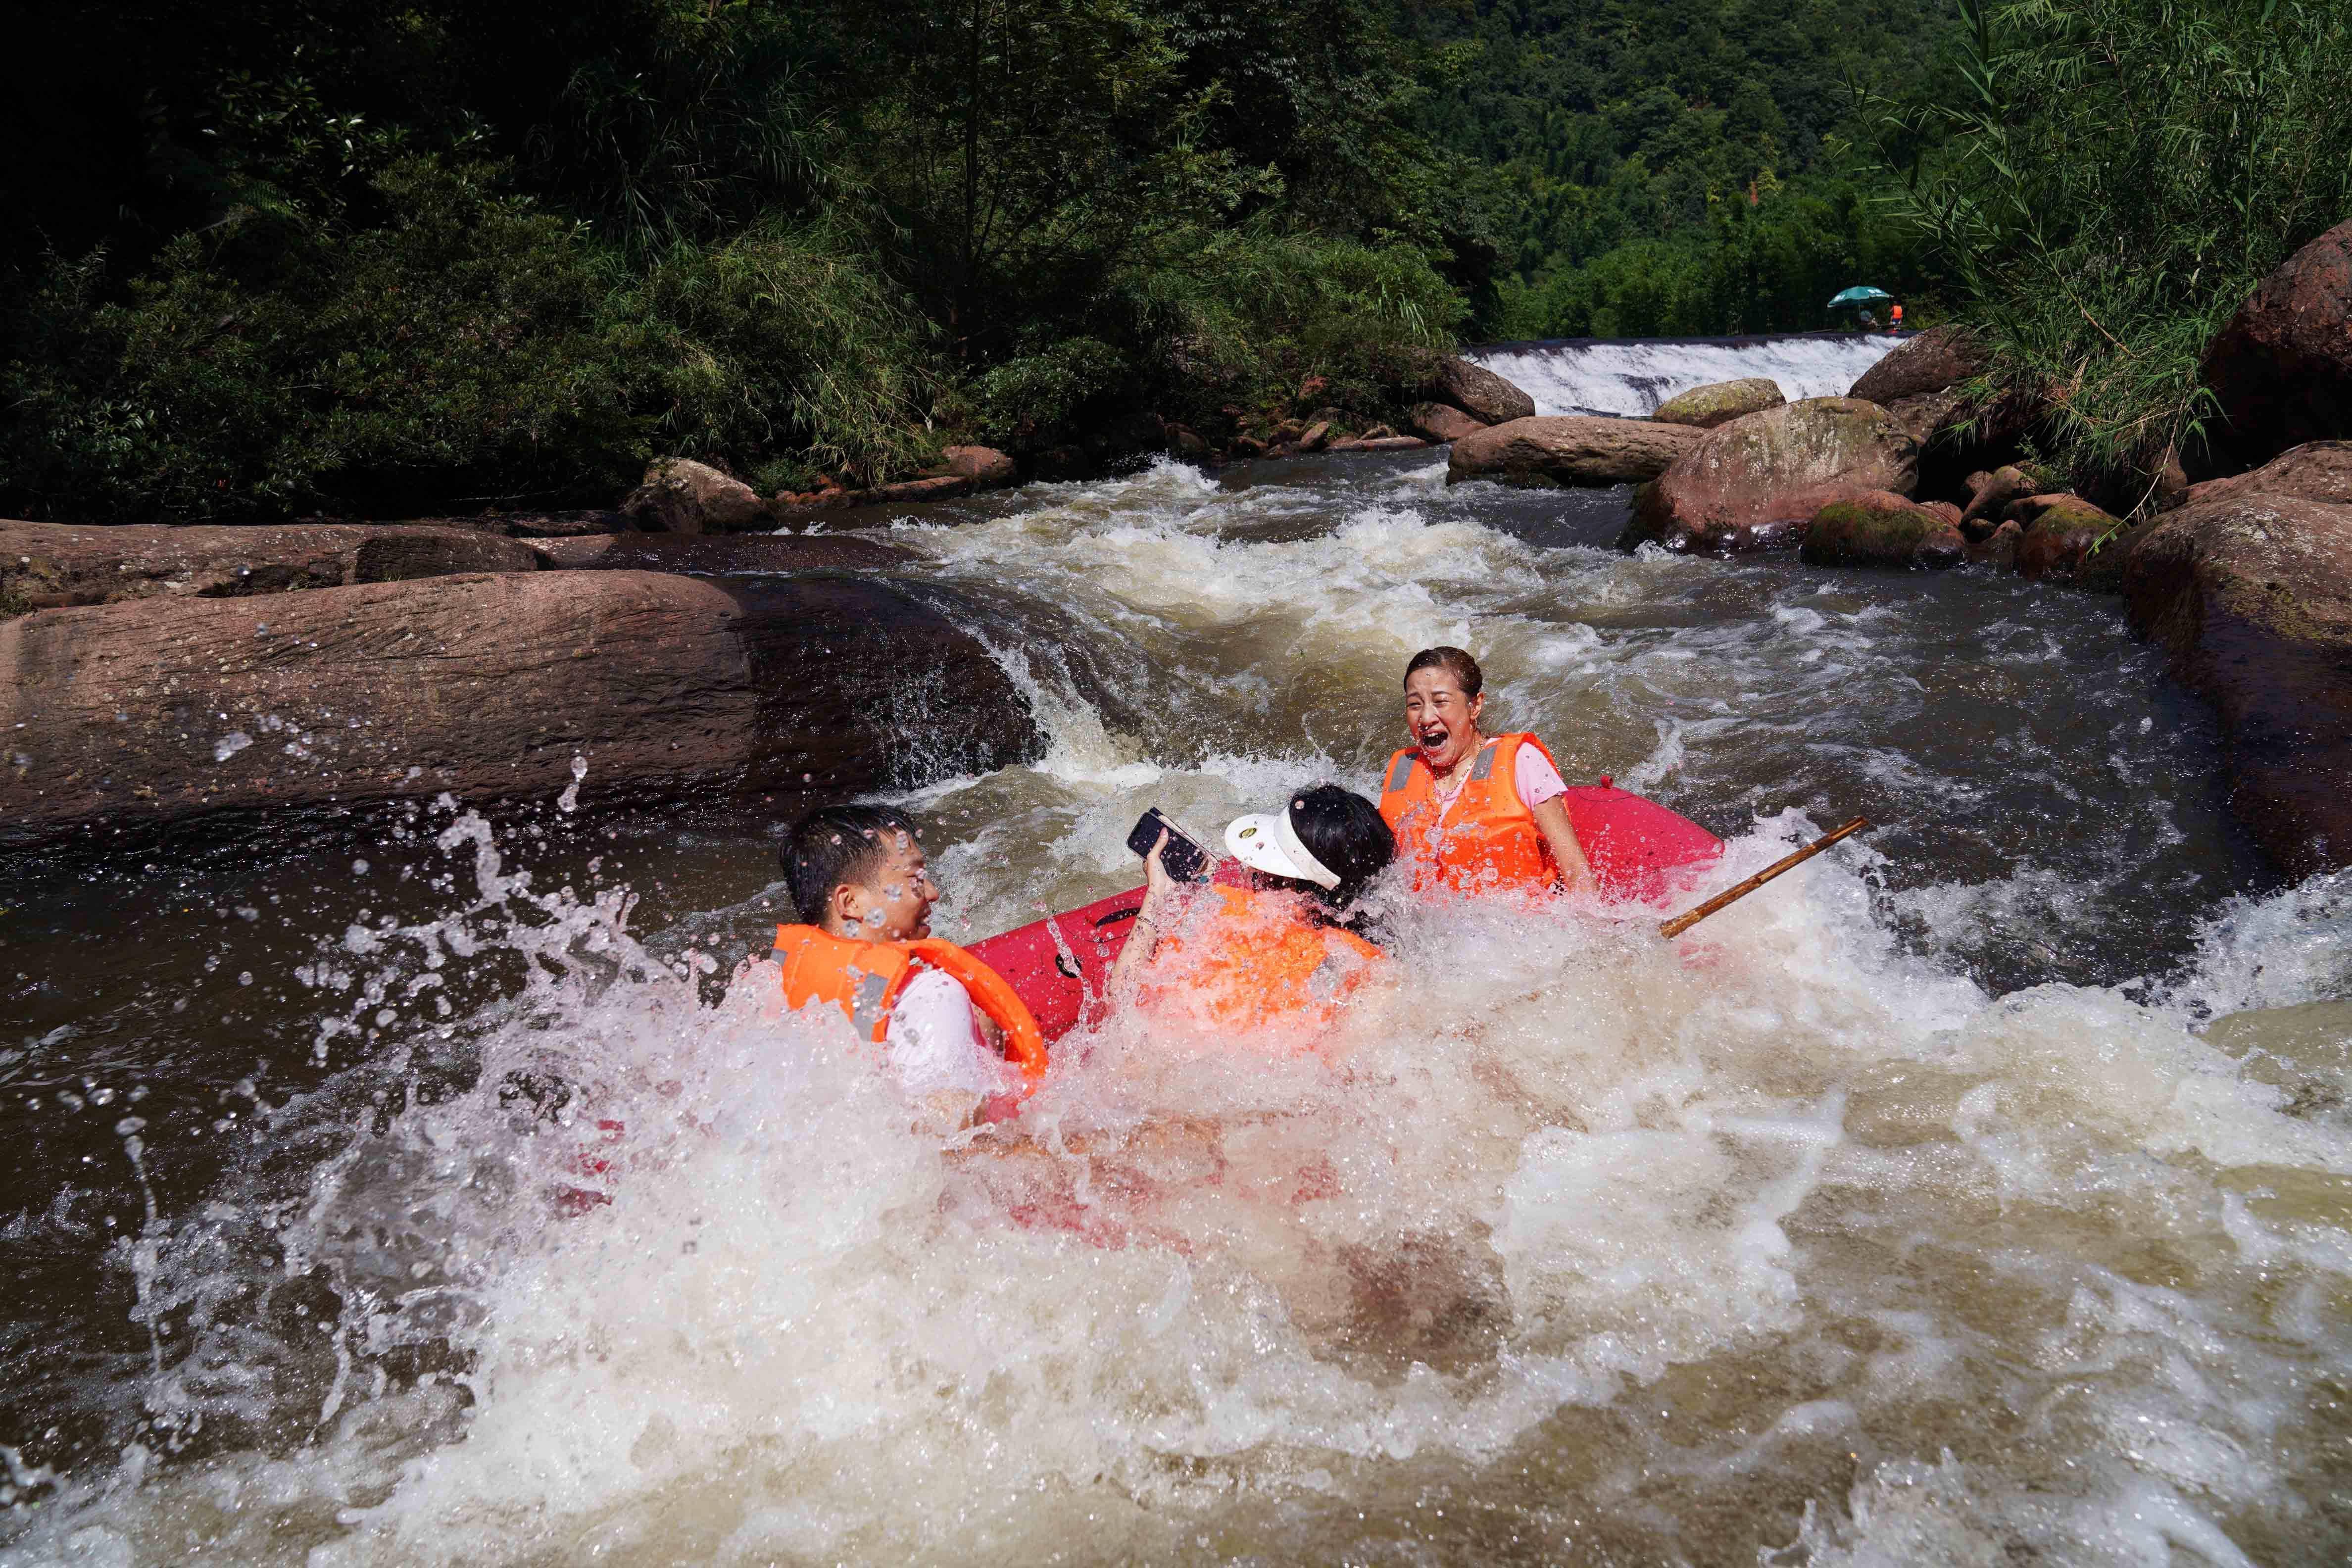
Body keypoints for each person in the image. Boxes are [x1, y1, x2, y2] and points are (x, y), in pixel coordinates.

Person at [772, 804, 1044, 1126]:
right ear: (851, 903)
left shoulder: (772, 987)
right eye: (915, 878)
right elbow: (950, 1144)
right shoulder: (932, 995)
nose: (933, 893)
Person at [1105, 785, 1395, 1039]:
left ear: (1278, 876)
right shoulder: (1367, 968)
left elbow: (1123, 998)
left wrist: (1157, 895)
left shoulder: (1221, 910)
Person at [1379, 646, 1599, 898]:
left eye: (1440, 701)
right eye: (1414, 705)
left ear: (1474, 706)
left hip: (1523, 928)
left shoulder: (1521, 762)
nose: (1426, 717)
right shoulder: (1403, 772)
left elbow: (1575, 872)